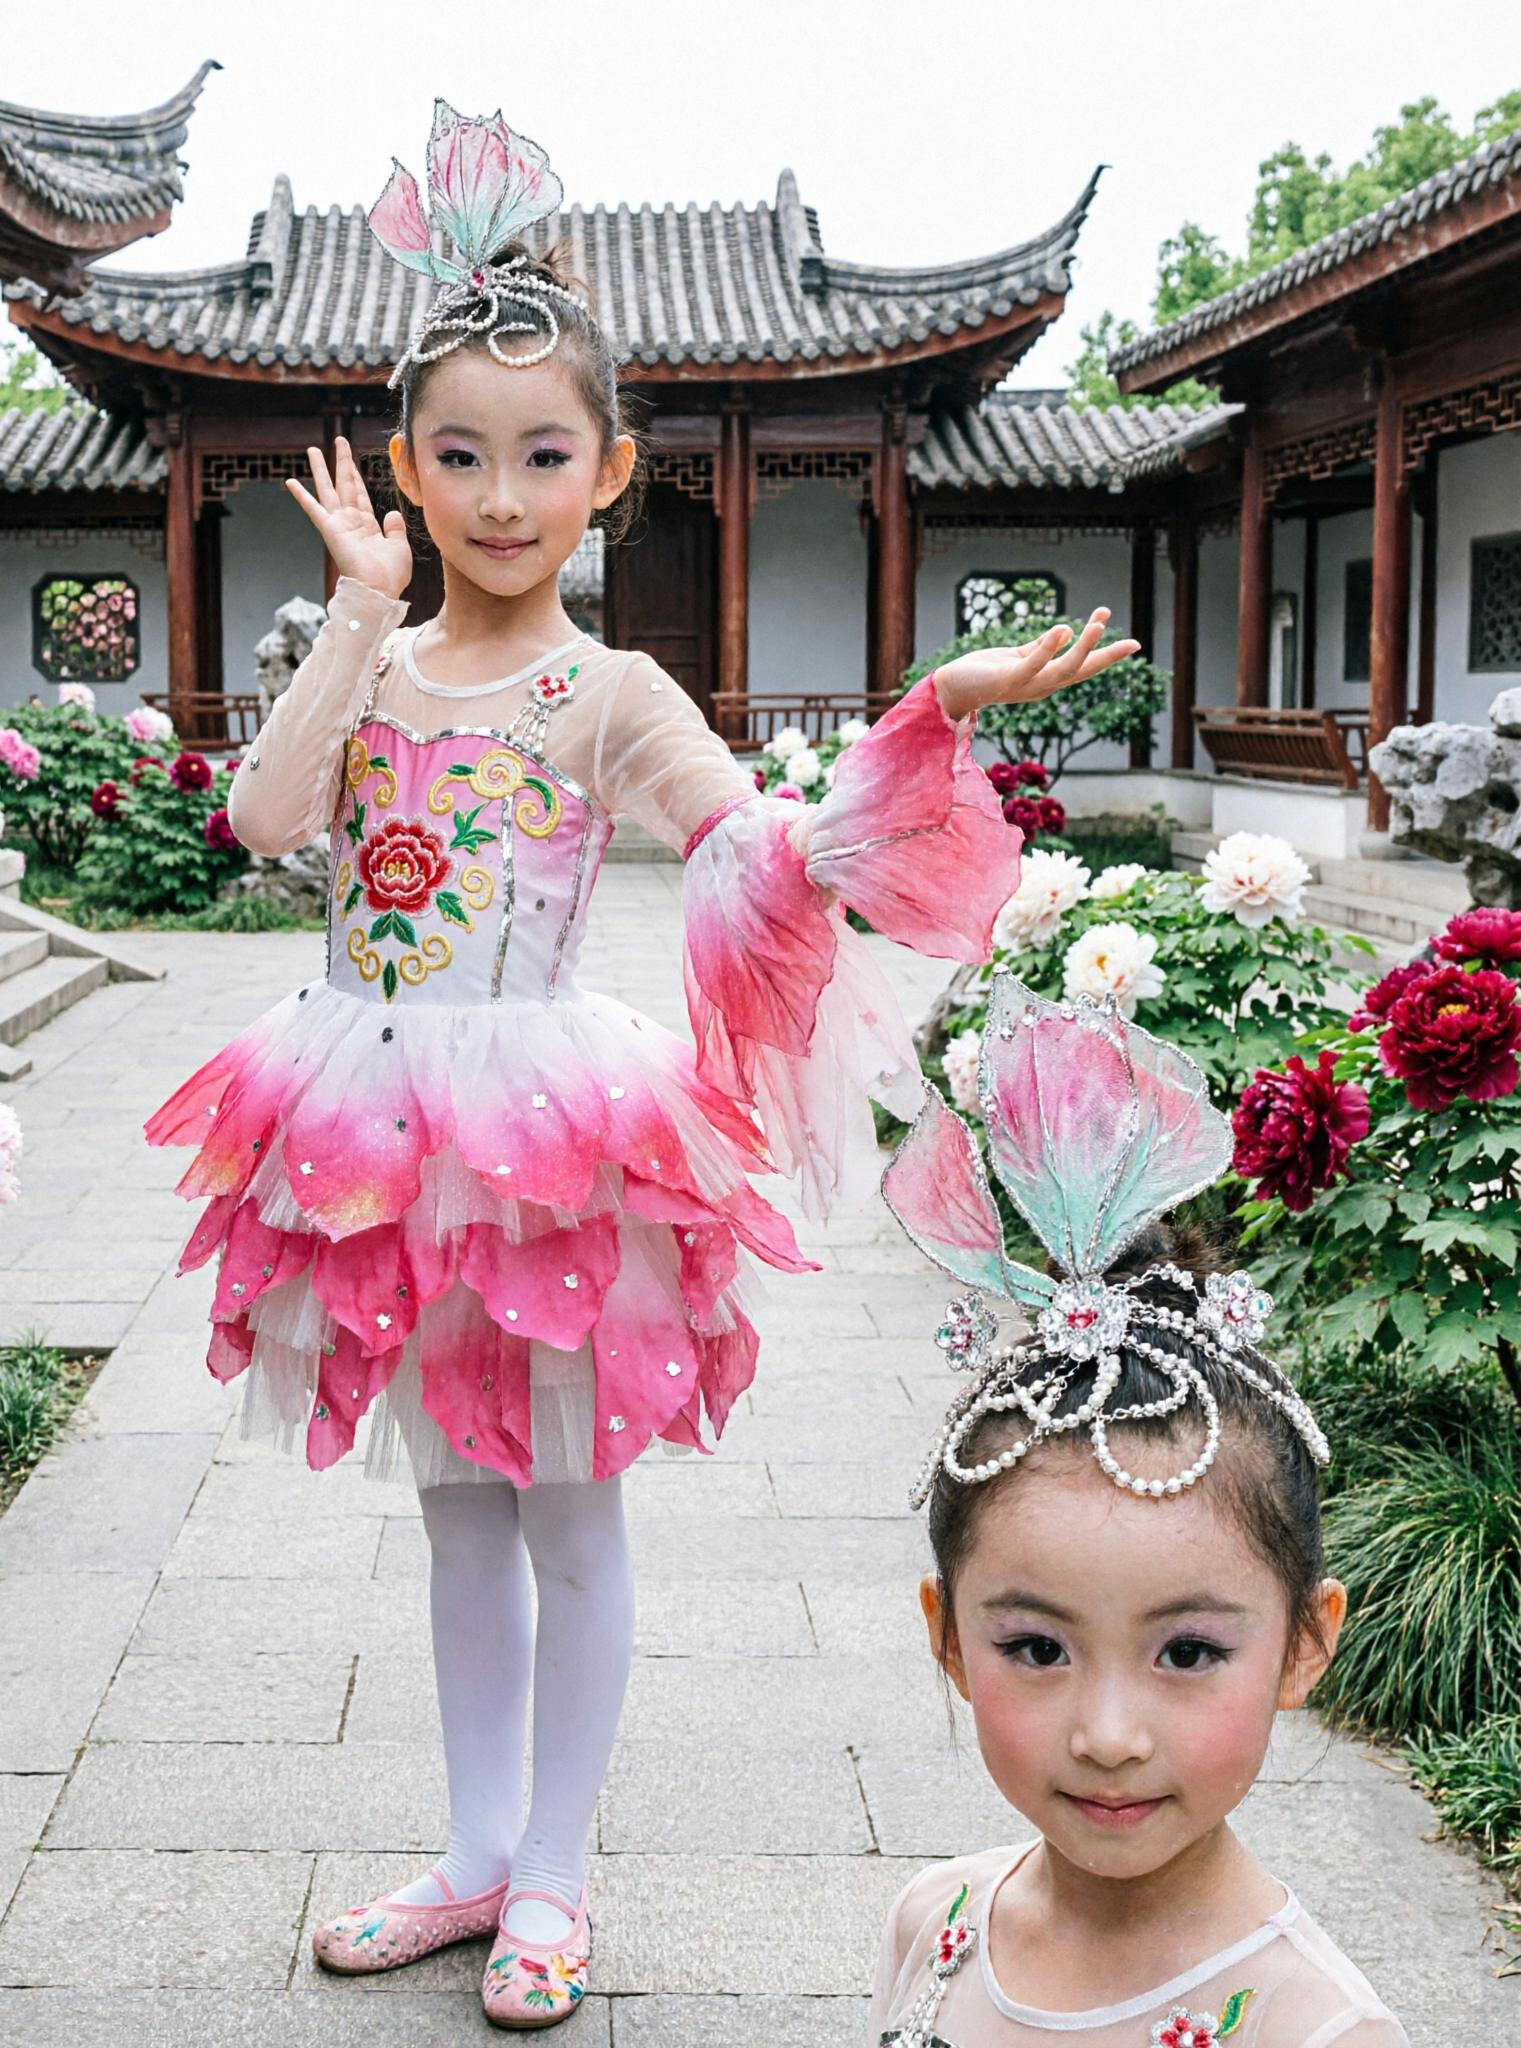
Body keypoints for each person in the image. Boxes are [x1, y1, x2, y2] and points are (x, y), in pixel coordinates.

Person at [144, 101, 1136, 2031]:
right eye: (456, 455)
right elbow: (266, 824)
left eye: (540, 455)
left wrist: (928, 710)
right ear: (407, 472)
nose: (498, 493)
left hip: (546, 1139)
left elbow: (755, 838)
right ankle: (471, 1847)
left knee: (571, 1508)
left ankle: (557, 1879)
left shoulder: (607, 691)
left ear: (607, 473)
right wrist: (351, 613)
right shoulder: (372, 660)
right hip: (364, 1121)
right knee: (450, 1511)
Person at [867, 974, 1407, 2048]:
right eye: (1031, 1644)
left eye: (1188, 1650)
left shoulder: (1315, 2030)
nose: (1106, 1735)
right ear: (945, 1635)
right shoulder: (932, 1920)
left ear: (1305, 1640)